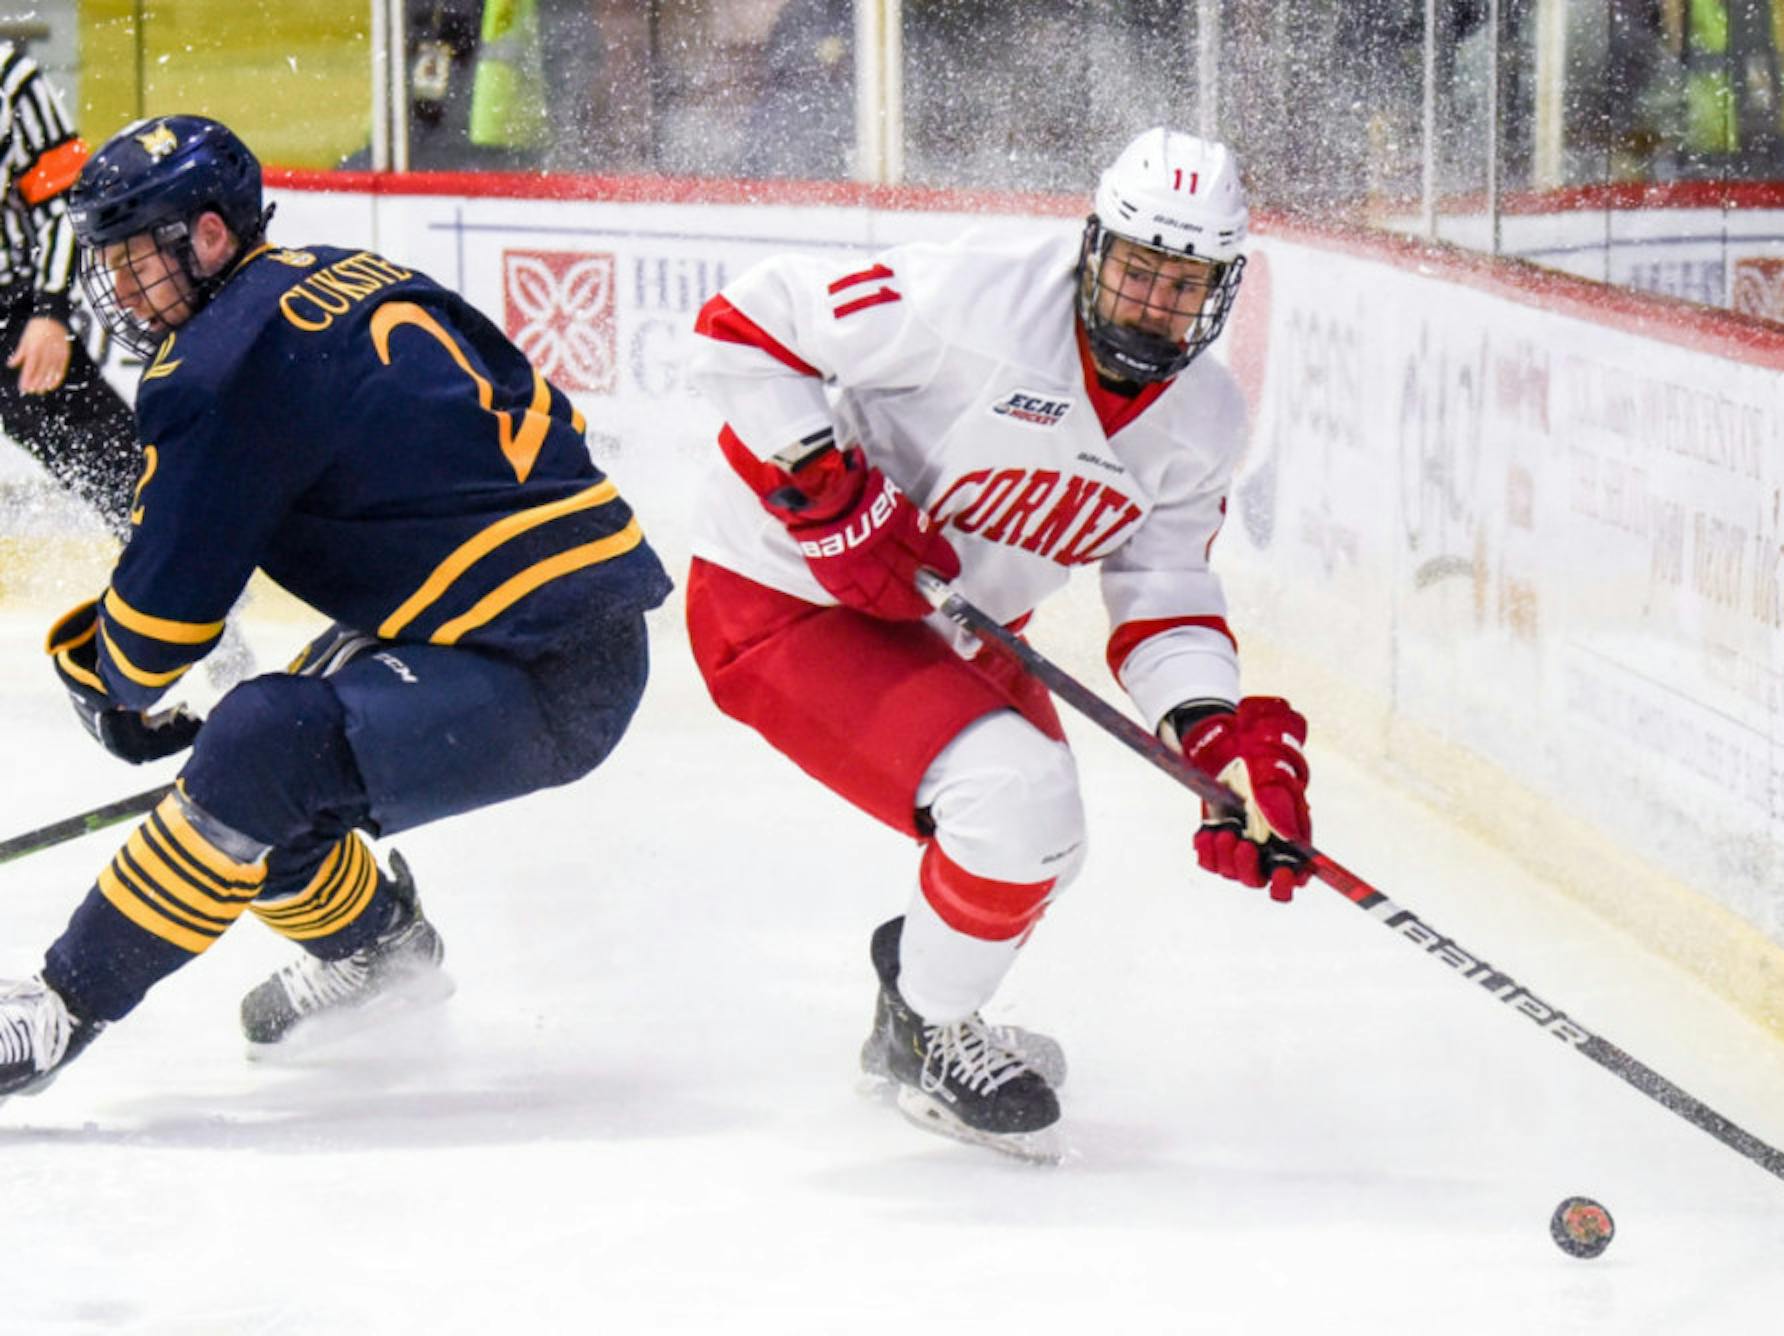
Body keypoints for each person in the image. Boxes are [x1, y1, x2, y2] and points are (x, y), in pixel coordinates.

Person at [0, 115, 670, 1100]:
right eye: (109, 262)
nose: (125, 290)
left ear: (212, 235)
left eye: (138, 257)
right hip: (521, 615)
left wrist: (94, 676)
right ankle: (382, 957)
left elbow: (153, 636)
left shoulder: (213, 368)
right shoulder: (343, 269)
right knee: (257, 760)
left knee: (261, 746)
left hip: (545, 663)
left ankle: (57, 1007)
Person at [682, 126, 1313, 1159]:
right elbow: (744, 325)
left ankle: (914, 1004)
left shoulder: (1201, 417)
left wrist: (1210, 731)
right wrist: (825, 490)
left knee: (1044, 849)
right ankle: (927, 1033)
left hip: (941, 627)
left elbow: (1162, 583)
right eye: (1136, 268)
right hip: (781, 595)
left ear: (1222, 286)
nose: (1151, 302)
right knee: (1016, 808)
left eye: (1182, 281)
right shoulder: (966, 299)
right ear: (1093, 243)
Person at [0, 39, 143, 534]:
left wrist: (49, 311)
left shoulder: (8, 77)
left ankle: (183, 593)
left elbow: (64, 203)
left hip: (9, 313)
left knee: (117, 464)